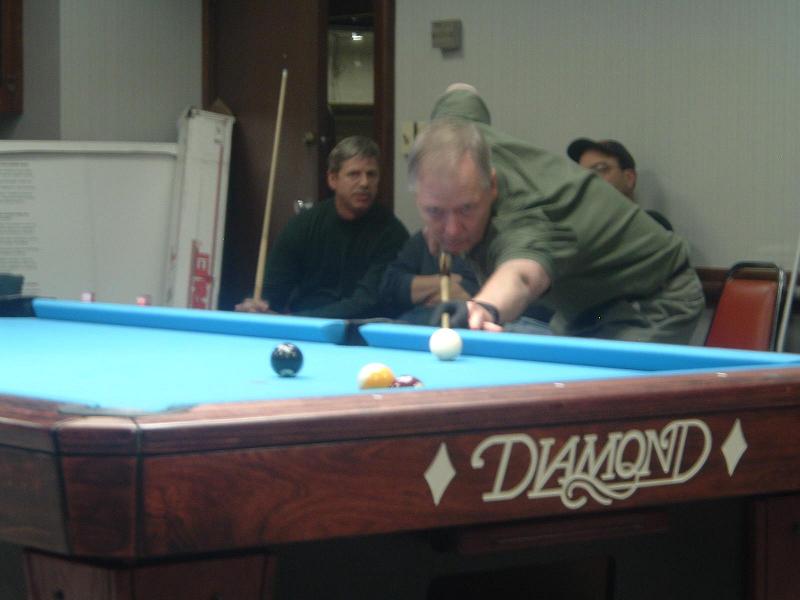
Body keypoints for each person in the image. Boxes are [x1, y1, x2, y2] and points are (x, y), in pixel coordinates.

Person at [410, 84, 704, 344]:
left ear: (493, 186)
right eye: (434, 210)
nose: (452, 229)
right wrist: (438, 223)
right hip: (585, 310)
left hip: (649, 300)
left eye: (466, 208)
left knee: (598, 389)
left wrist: (483, 308)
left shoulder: (523, 214)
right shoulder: (462, 136)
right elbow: (461, 96)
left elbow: (522, 276)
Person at [236, 136, 408, 318]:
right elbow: (272, 291)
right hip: (305, 327)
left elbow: (365, 303)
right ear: (333, 179)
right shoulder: (303, 226)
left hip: (361, 327)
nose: (365, 183)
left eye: (371, 174)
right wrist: (258, 306)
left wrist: (296, 320)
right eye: (354, 174)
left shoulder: (392, 234)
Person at [566, 138, 673, 231]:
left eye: (600, 169)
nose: (587, 179)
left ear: (629, 178)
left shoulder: (651, 225)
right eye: (582, 173)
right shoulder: (574, 230)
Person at [379, 229, 480, 324]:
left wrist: (421, 294)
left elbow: (475, 291)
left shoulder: (481, 244)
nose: (452, 229)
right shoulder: (425, 238)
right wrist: (445, 282)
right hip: (411, 326)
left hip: (464, 326)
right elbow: (391, 286)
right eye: (437, 216)